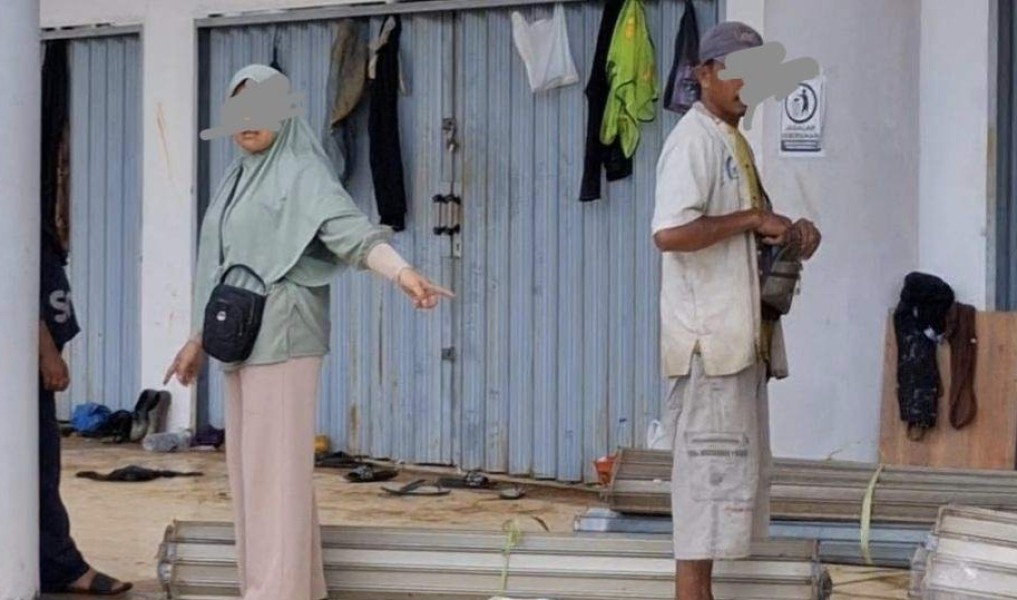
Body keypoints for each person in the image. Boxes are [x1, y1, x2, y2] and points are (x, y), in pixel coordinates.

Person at [163, 64, 453, 600]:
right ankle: (292, 587)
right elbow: (218, 263)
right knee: (255, 474)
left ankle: (275, 591)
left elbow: (353, 233)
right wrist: (197, 340)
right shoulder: (237, 177)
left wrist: (404, 273)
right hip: (240, 339)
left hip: (286, 334)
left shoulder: (302, 173)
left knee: (275, 473)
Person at [650, 22, 821, 600]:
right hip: (709, 354)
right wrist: (752, 221)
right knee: (702, 511)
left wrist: (788, 233)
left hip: (738, 350)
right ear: (704, 74)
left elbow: (736, 235)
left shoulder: (731, 141)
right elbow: (670, 233)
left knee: (722, 505)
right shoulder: (693, 141)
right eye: (738, 71)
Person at [38, 190, 133, 597]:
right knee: (34, 468)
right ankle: (63, 566)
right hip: (21, 365)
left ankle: (54, 562)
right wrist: (44, 350)